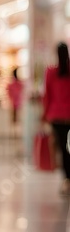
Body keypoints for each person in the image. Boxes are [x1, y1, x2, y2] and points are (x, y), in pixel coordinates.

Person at [43, 42, 70, 195]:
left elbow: (48, 96)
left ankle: (67, 179)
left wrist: (45, 115)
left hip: (57, 116)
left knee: (63, 149)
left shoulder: (51, 72)